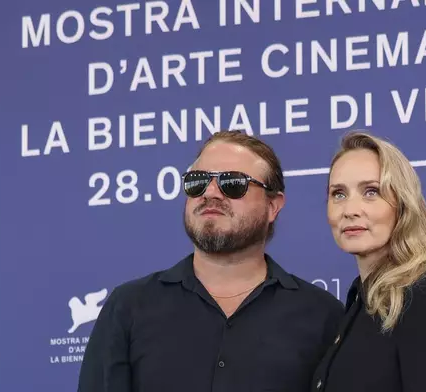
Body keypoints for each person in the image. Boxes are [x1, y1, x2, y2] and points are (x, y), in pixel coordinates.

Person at [77, 130, 345, 392]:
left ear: (273, 206)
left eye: (232, 183)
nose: (211, 193)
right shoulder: (128, 307)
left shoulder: (323, 316)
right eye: (198, 181)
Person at [311, 131, 426, 392]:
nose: (350, 210)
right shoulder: (358, 305)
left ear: (402, 204)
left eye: (371, 191)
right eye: (338, 194)